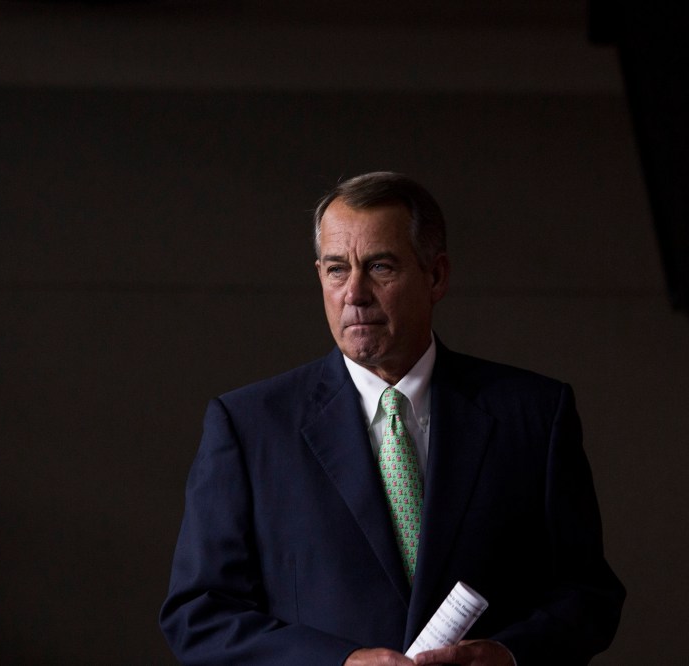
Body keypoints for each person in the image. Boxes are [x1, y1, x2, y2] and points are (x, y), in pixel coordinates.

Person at [159, 172, 625, 665]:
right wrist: (340, 663)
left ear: (437, 275)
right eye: (337, 270)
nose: (354, 293)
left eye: (380, 266)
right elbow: (200, 615)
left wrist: (509, 655)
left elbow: (587, 594)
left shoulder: (533, 414)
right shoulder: (249, 426)